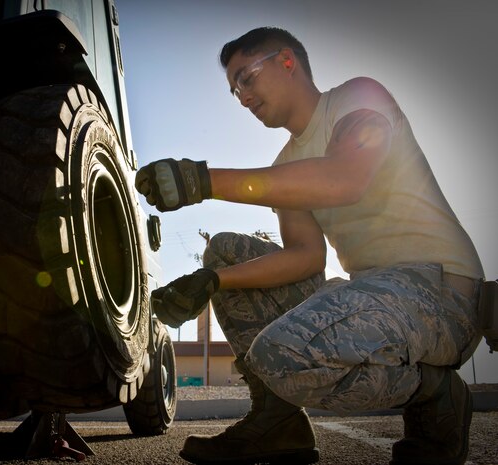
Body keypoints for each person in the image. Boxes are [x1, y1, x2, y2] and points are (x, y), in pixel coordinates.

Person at [134, 27, 484, 465]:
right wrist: (212, 281)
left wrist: (203, 181)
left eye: (246, 77)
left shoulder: (359, 98)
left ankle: (436, 394)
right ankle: (278, 421)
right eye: (233, 89)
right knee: (224, 250)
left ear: (286, 61)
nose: (241, 96)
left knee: (279, 354)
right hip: (373, 292)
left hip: (440, 291)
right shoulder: (287, 163)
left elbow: (345, 178)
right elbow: (306, 256)